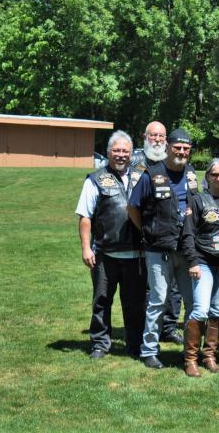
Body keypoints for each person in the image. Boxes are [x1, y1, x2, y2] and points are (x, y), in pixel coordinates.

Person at [128, 128, 200, 369]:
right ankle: (149, 350)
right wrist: (147, 230)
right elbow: (132, 207)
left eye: (186, 149)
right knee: (158, 301)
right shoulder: (151, 174)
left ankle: (191, 351)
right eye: (178, 147)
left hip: (186, 249)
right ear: (168, 146)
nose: (181, 152)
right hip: (158, 249)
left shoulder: (191, 173)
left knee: (192, 302)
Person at [76, 131, 143, 360]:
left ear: (131, 153)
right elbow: (85, 216)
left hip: (136, 254)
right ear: (108, 152)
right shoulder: (95, 179)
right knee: (102, 301)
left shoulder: (141, 177)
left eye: (125, 151)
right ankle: (100, 343)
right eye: (117, 150)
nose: (121, 155)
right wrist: (86, 248)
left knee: (135, 303)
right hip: (105, 253)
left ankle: (135, 344)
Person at [179, 158, 219, 376]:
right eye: (215, 174)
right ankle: (190, 359)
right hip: (203, 262)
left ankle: (210, 355)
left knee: (217, 310)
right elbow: (188, 234)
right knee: (201, 309)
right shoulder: (197, 200)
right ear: (208, 177)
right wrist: (193, 261)